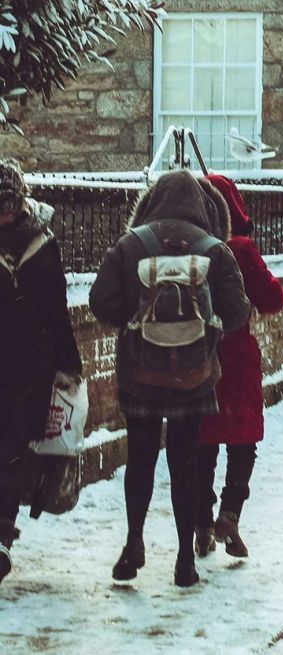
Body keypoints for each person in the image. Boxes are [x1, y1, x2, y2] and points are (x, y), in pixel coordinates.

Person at [89, 170, 250, 587]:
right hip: (195, 376)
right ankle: (184, 560)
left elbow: (99, 301)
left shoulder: (131, 245)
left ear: (152, 201)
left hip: (140, 373)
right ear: (202, 205)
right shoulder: (215, 249)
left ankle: (134, 542)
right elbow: (237, 314)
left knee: (140, 460)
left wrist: (134, 323)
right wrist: (204, 328)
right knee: (185, 462)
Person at [194, 175, 283, 560]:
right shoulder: (240, 250)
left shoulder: (189, 246)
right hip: (235, 357)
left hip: (196, 356)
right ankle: (230, 513)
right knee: (242, 439)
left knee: (202, 441)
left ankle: (201, 520)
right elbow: (273, 299)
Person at [0, 159, 83, 585]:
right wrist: (69, 363)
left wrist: (68, 362)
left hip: (25, 366)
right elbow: (56, 310)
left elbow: (57, 310)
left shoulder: (40, 245)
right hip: (29, 363)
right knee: (14, 446)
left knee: (12, 443)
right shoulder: (41, 244)